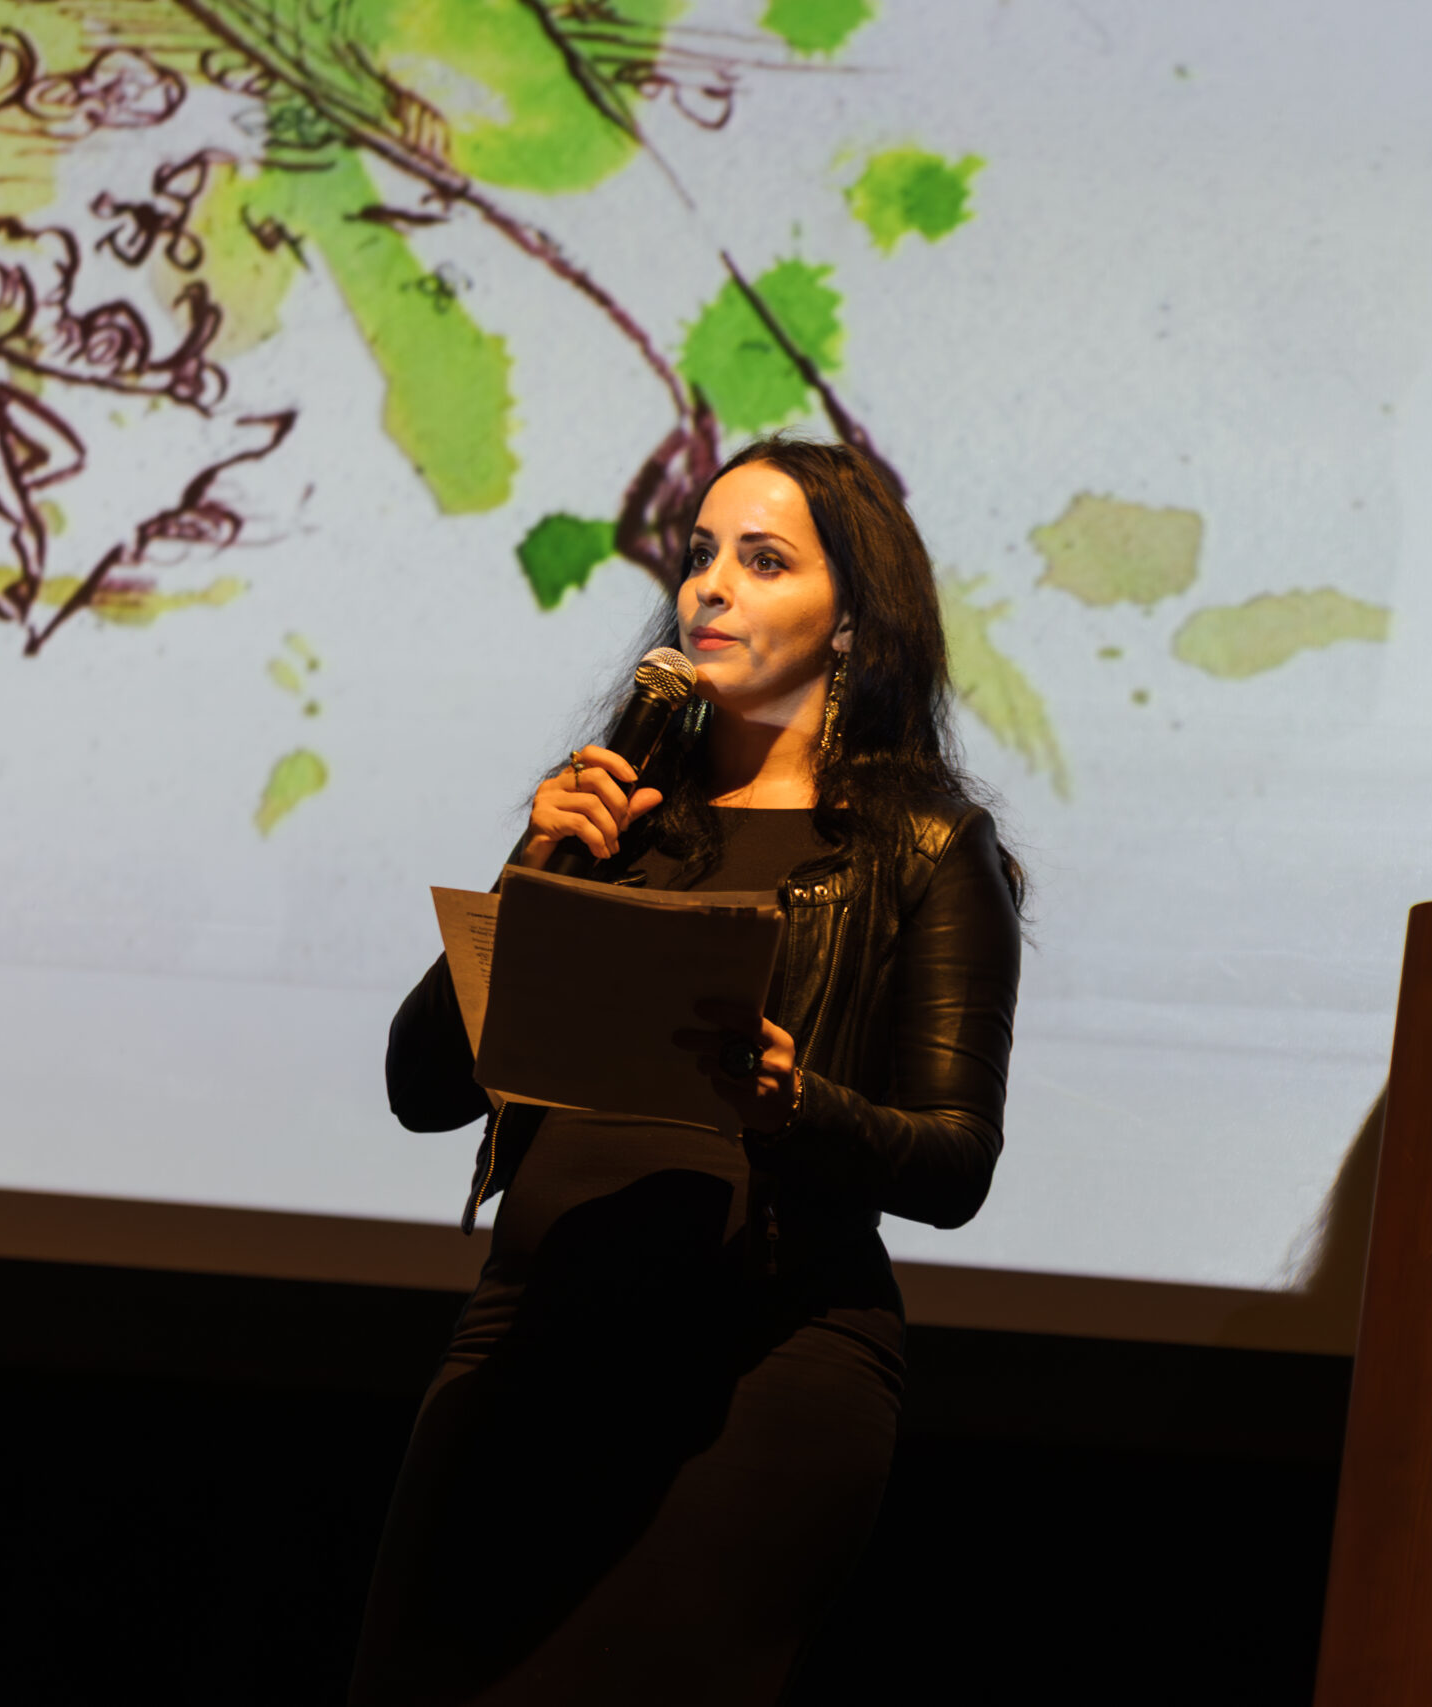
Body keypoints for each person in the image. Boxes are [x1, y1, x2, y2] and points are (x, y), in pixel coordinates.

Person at [353, 438, 1023, 1704]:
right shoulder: (612, 814)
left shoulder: (928, 847)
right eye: (701, 555)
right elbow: (421, 1086)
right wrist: (534, 865)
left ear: (852, 623)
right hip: (531, 1334)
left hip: (760, 1367)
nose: (710, 588)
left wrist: (794, 1104)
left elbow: (954, 1162)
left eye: (763, 562)